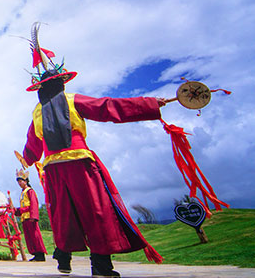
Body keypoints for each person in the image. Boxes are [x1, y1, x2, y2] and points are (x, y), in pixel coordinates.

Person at [18, 23, 165, 278]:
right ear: (61, 83)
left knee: (63, 214)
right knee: (95, 212)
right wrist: (149, 104)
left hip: (53, 169)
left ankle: (63, 257)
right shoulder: (73, 100)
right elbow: (109, 107)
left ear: (41, 89)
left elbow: (32, 145)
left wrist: (29, 160)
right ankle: (101, 266)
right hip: (80, 165)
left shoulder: (37, 112)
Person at [12, 169, 47, 262]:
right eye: (18, 182)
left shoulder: (30, 191)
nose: (19, 183)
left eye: (21, 181)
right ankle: (35, 254)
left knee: (35, 236)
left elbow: (33, 204)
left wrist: (34, 216)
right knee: (29, 237)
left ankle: (40, 254)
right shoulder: (23, 192)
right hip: (25, 218)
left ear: (26, 181)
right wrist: (16, 211)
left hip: (30, 217)